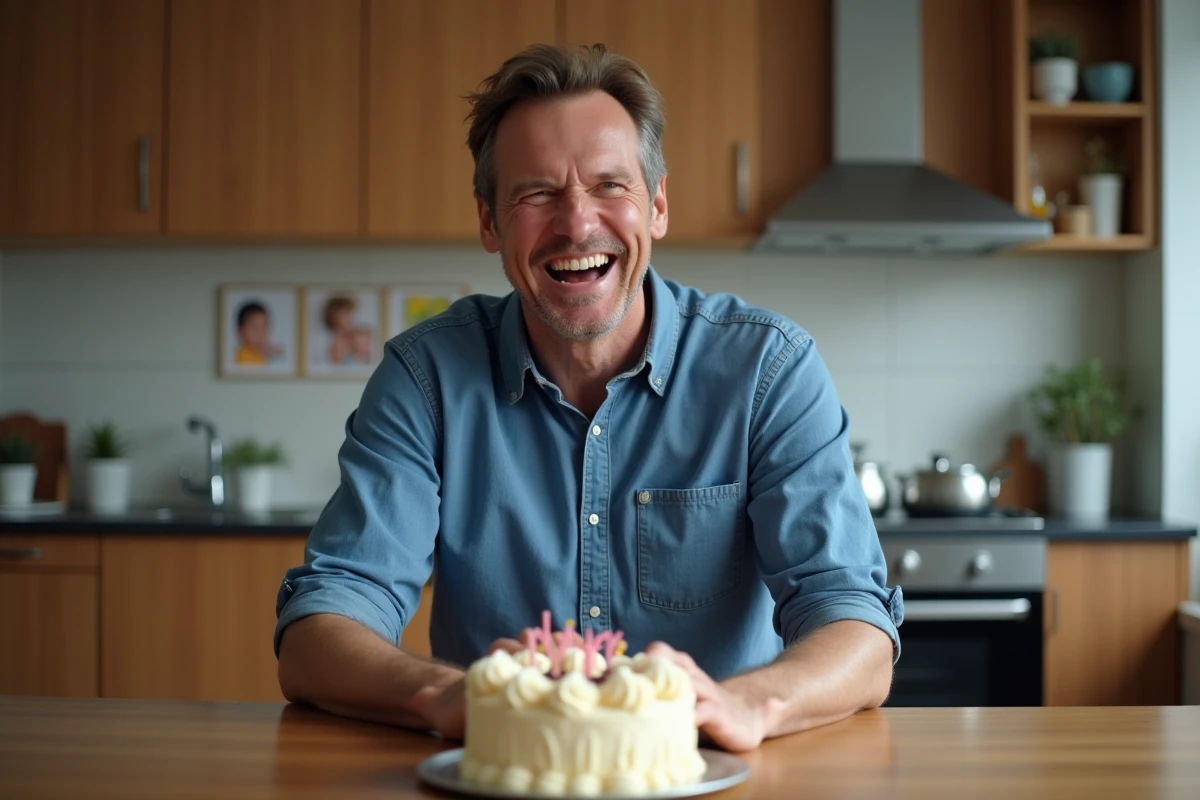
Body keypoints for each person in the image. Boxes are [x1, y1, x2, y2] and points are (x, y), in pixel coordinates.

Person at [275, 43, 902, 753]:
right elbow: (320, 626)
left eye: (611, 186)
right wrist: (451, 694)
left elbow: (854, 624)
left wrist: (744, 705)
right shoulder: (425, 379)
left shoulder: (769, 370)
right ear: (489, 222)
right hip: (503, 778)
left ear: (657, 205)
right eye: (536, 193)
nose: (577, 224)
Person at [322, 295, 372, 365]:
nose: (350, 318)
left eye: (350, 313)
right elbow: (336, 367)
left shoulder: (361, 334)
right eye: (344, 315)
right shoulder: (334, 343)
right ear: (334, 318)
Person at [234, 301, 282, 366]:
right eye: (254, 327)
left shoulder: (260, 354)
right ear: (240, 331)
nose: (261, 333)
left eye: (265, 326)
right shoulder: (244, 358)